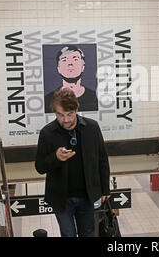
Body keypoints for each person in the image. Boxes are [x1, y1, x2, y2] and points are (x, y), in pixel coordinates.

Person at [35, 88, 110, 237]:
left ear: (76, 109)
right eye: (60, 115)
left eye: (69, 114)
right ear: (54, 112)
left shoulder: (92, 128)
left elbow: (102, 158)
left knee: (88, 233)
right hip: (61, 198)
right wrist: (55, 158)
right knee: (68, 234)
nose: (66, 120)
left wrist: (105, 189)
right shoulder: (47, 133)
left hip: (86, 196)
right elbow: (40, 167)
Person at [44, 45, 98, 113]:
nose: (70, 63)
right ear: (58, 68)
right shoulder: (48, 100)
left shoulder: (95, 98)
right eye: (64, 60)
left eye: (75, 59)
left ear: (83, 67)